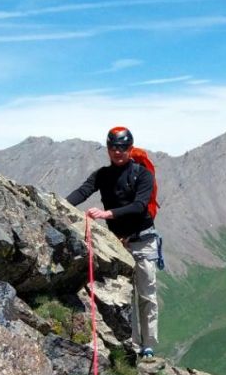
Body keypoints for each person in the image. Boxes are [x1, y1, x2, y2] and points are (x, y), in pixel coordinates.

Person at [66, 126, 159, 359]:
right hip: (118, 243)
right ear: (108, 148)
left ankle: (149, 346)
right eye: (114, 147)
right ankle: (134, 346)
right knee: (126, 295)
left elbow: (139, 205)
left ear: (130, 148)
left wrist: (107, 214)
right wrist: (59, 206)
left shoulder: (142, 174)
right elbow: (83, 191)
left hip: (142, 240)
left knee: (146, 295)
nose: (118, 152)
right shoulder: (102, 175)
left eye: (123, 147)